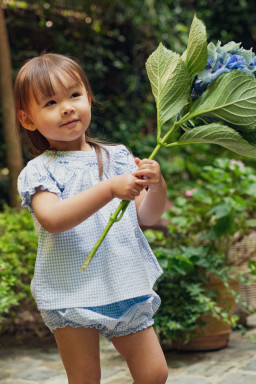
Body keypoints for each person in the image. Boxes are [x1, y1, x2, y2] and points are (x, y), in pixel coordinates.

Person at [15, 53, 168, 384]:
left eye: (74, 95)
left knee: (154, 373)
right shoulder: (39, 170)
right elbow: (53, 218)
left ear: (88, 97)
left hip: (123, 282)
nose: (67, 107)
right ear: (28, 120)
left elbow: (146, 217)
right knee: (84, 379)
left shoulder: (118, 157)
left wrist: (157, 185)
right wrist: (110, 189)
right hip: (71, 291)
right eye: (51, 102)